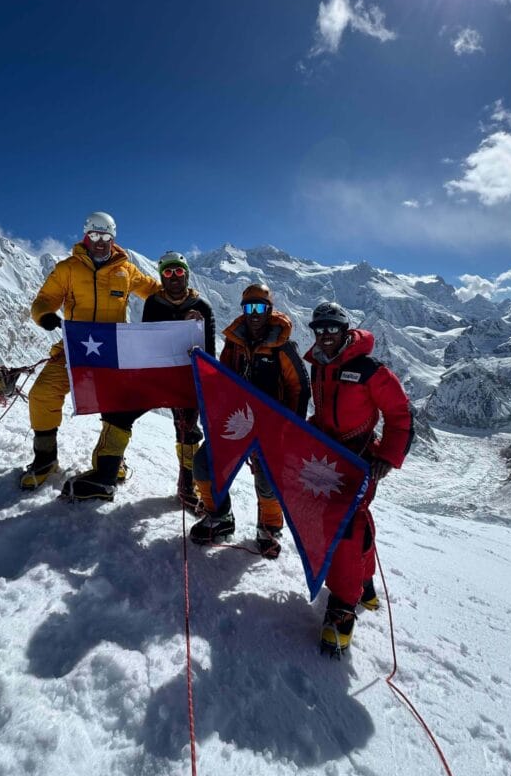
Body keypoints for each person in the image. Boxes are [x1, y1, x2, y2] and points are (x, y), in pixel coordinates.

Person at [20, 211, 160, 499]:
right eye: (94, 235)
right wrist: (44, 315)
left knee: (117, 406)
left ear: (113, 238)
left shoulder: (126, 270)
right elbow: (45, 299)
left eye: (106, 236)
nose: (100, 241)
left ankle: (111, 462)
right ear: (86, 236)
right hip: (74, 349)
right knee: (42, 393)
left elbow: (155, 292)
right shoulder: (68, 269)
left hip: (112, 353)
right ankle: (45, 458)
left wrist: (186, 297)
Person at [304, 302, 413, 654]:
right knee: (348, 520)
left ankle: (342, 606)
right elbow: (324, 410)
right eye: (319, 329)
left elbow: (400, 415)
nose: (325, 336)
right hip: (328, 458)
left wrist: (387, 458)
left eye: (332, 329)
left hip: (362, 457)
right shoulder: (318, 365)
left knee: (346, 525)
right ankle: (363, 582)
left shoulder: (369, 370)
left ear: (346, 330)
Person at [190, 283, 310, 557]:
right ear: (243, 310)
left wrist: (289, 428)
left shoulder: (284, 347)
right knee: (203, 464)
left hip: (273, 427)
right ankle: (220, 517)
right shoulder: (234, 345)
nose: (254, 313)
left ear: (269, 310)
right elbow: (222, 379)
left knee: (269, 479)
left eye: (260, 307)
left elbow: (299, 389)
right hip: (237, 422)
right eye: (249, 307)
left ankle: (268, 530)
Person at [141, 250, 216, 510]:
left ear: (187, 275)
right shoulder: (153, 303)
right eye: (168, 272)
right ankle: (107, 469)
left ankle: (187, 484)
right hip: (164, 376)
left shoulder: (202, 307)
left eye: (179, 271)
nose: (174, 277)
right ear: (162, 276)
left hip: (190, 379)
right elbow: (146, 342)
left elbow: (209, 350)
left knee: (187, 429)